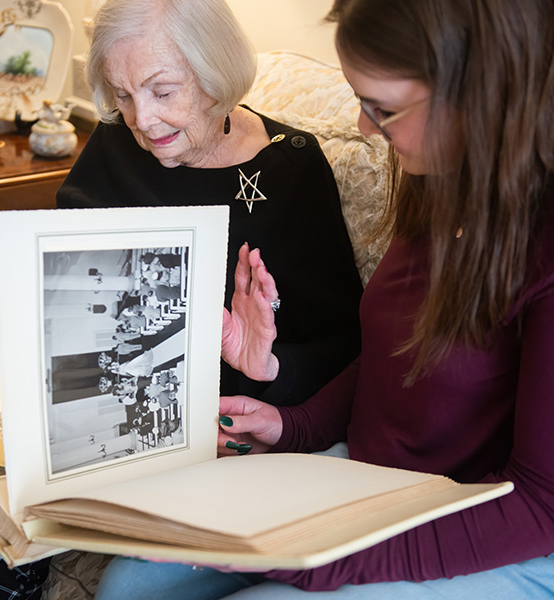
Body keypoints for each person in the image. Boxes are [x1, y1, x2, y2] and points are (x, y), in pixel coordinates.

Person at [94, 0, 554, 598]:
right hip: (374, 479)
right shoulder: (443, 180)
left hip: (488, 527)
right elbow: (395, 354)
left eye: (382, 109)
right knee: (130, 586)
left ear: (477, 98)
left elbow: (540, 507)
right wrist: (292, 424)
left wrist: (324, 559)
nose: (364, 128)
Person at [0, 0, 363, 595]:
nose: (143, 120)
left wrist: (270, 367)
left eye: (161, 91)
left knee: (0, 521)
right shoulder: (116, 142)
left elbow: (345, 343)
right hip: (83, 390)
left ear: (215, 74)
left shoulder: (293, 169)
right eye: (123, 95)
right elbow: (60, 268)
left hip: (198, 428)